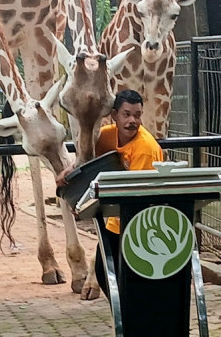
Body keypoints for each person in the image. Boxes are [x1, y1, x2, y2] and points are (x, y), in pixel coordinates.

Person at [55, 89, 163, 298]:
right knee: (108, 276)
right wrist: (70, 171)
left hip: (139, 222)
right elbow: (85, 159)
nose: (133, 120)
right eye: (127, 114)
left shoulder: (145, 149)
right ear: (114, 115)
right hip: (117, 218)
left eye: (138, 115)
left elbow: (134, 194)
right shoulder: (106, 136)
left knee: (121, 277)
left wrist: (89, 207)